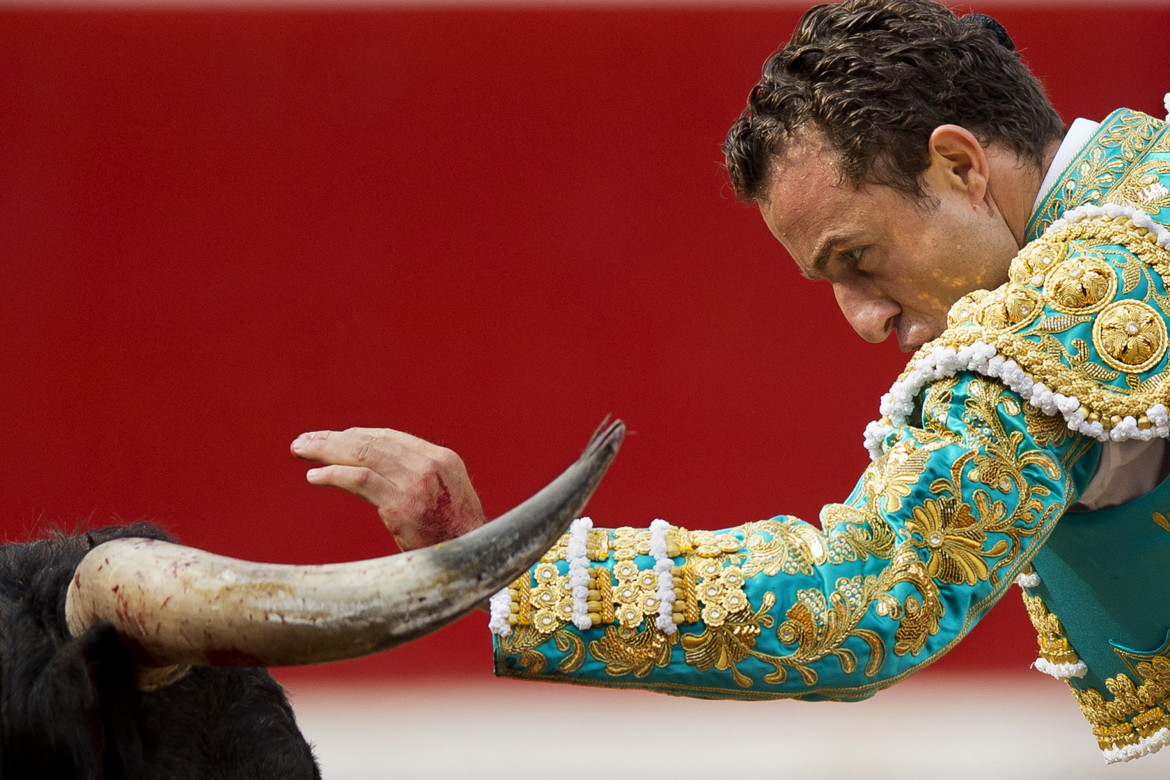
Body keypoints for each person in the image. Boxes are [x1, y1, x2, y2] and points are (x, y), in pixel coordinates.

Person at [289, 0, 1170, 764]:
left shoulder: (1079, 301)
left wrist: (499, 573)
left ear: (961, 167)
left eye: (858, 257)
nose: (864, 319)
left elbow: (858, 602)